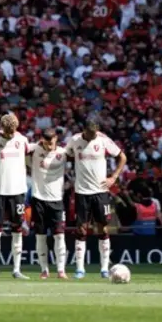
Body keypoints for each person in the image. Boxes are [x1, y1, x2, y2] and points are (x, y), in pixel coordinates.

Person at [68, 118, 127, 279]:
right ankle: (80, 269)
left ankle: (104, 268)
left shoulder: (103, 140)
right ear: (84, 131)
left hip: (100, 192)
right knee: (81, 229)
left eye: (95, 132)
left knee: (103, 228)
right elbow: (66, 155)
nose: (93, 135)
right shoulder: (74, 140)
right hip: (82, 192)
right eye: (91, 133)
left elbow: (122, 157)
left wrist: (113, 177)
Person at [0, 112, 32, 279]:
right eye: (7, 131)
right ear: (1, 127)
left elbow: (30, 160)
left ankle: (16, 270)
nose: (10, 134)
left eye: (13, 131)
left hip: (18, 192)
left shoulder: (23, 140)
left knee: (17, 230)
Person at [29, 127, 70, 280]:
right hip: (38, 199)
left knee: (59, 236)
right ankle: (44, 270)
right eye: (46, 143)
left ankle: (61, 270)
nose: (49, 146)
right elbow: (20, 145)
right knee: (40, 236)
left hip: (57, 201)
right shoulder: (35, 150)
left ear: (56, 140)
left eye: (51, 143)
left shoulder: (63, 153)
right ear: (42, 141)